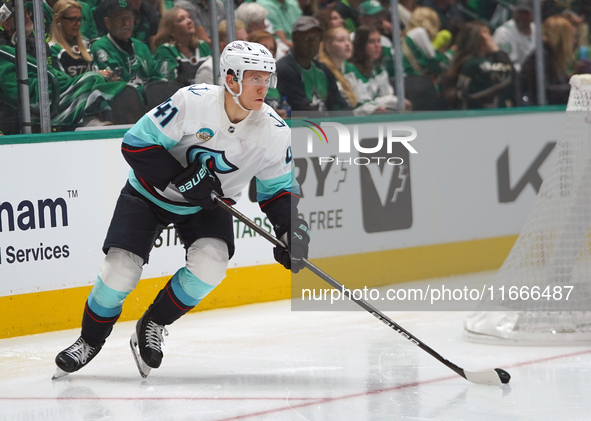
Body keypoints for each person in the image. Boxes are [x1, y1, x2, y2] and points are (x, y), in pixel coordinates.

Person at [52, 40, 310, 379]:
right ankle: (89, 340)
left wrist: (291, 231)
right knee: (119, 271)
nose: (264, 87)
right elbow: (135, 143)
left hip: (206, 205)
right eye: (255, 79)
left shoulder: (275, 132)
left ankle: (153, 323)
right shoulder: (193, 101)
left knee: (211, 265)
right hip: (148, 193)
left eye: (267, 79)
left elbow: (277, 191)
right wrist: (181, 177)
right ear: (231, 80)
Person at [91, 0, 170, 105]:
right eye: (119, 19)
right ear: (107, 23)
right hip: (122, 107)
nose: (126, 24)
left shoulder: (141, 47)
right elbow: (115, 86)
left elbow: (156, 76)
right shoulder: (101, 47)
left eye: (129, 18)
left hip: (148, 105)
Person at [276, 16, 350, 112]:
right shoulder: (284, 69)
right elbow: (300, 109)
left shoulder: (323, 69)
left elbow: (339, 104)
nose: (311, 43)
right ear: (294, 39)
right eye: (305, 38)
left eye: (315, 38)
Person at [446, 20, 515, 109]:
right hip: (482, 114)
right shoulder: (476, 64)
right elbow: (508, 72)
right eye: (488, 35)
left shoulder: (466, 62)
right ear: (482, 40)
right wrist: (495, 50)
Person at [521, 15, 586, 105]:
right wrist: (576, 88)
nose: (575, 41)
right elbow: (546, 91)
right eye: (572, 37)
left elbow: (557, 85)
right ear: (562, 39)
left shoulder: (552, 56)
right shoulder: (541, 58)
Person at [344, 25, 410, 115]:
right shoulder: (350, 70)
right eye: (371, 42)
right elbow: (357, 104)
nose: (377, 46)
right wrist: (374, 109)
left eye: (379, 41)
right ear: (361, 44)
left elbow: (387, 96)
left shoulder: (379, 70)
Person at [153, 6, 211, 86]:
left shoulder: (202, 46)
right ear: (171, 30)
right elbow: (169, 85)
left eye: (189, 17)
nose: (189, 21)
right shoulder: (165, 50)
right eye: (181, 19)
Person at [49, 0, 107, 77]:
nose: (78, 24)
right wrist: (93, 76)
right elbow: (63, 83)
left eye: (79, 19)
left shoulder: (85, 49)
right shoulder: (53, 49)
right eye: (73, 19)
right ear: (58, 20)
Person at [193, 20, 248, 85]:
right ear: (224, 46)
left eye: (247, 39)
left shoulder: (248, 66)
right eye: (240, 42)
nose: (247, 45)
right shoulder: (208, 70)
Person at [318, 26, 357, 108]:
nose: (347, 44)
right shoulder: (322, 71)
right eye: (341, 40)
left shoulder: (349, 68)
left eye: (349, 40)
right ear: (328, 47)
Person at [93, 0, 160, 47]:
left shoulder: (149, 10)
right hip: (112, 51)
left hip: (139, 53)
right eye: (119, 19)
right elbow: (101, 40)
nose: (126, 23)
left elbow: (153, 40)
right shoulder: (105, 8)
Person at [493, 0, 535, 73]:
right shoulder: (503, 33)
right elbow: (505, 65)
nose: (523, 16)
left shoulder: (537, 29)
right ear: (513, 12)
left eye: (526, 13)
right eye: (520, 12)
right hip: (514, 77)